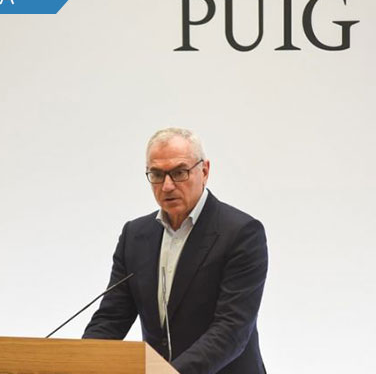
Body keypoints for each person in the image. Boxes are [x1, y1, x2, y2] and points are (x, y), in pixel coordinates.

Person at [83, 128, 268, 374]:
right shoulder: (135, 235)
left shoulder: (241, 233)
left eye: (179, 172)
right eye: (157, 174)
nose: (167, 186)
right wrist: (81, 362)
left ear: (205, 171)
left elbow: (231, 330)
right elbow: (111, 318)